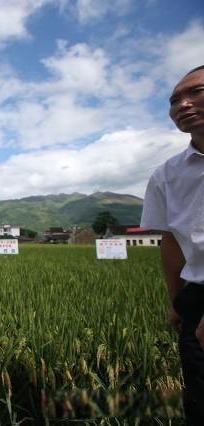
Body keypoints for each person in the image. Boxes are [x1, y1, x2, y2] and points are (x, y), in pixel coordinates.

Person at [141, 64, 204, 425]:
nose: (182, 104)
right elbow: (171, 240)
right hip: (197, 296)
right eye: (174, 100)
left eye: (195, 92)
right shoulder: (167, 174)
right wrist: (176, 299)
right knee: (198, 398)